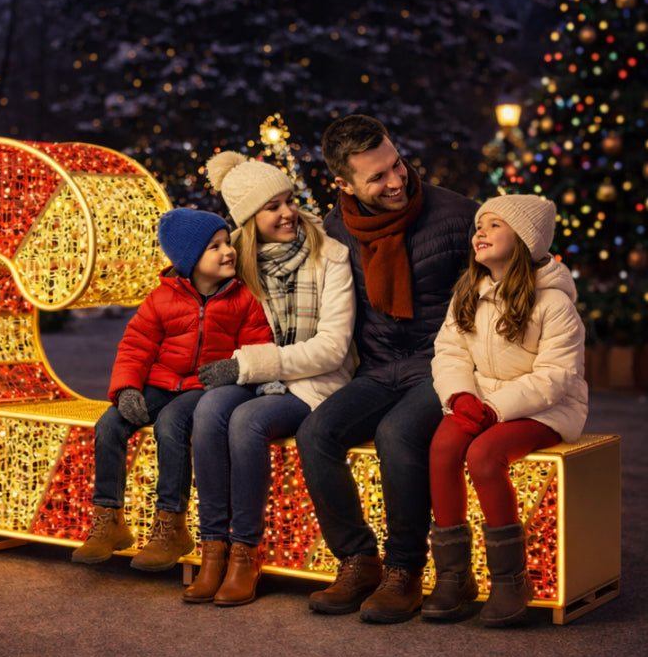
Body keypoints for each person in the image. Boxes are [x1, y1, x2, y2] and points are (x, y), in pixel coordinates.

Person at [295, 113, 478, 623]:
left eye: (396, 164)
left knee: (397, 433)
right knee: (316, 432)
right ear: (344, 183)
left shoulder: (459, 215)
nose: (396, 180)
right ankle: (358, 560)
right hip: (378, 367)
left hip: (441, 364)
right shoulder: (334, 232)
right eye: (377, 177)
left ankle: (404, 570)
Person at [183, 151, 356, 606]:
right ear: (248, 220)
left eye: (288, 201)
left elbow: (333, 348)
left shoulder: (329, 257)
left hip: (316, 381)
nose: (287, 213)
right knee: (208, 409)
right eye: (272, 207)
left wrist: (251, 366)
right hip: (255, 375)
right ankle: (212, 549)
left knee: (248, 422)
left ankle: (246, 553)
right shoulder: (239, 263)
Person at [72, 206, 273, 570]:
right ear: (190, 258)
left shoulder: (243, 299)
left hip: (204, 385)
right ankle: (109, 518)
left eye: (227, 242)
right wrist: (127, 390)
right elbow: (136, 346)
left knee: (171, 426)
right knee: (110, 424)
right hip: (161, 381)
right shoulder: (161, 298)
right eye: (215, 247)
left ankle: (171, 524)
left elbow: (257, 348)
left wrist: (235, 371)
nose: (228, 251)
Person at [424, 194, 588, 627]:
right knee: (442, 446)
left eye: (495, 225)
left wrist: (495, 409)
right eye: (481, 225)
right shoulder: (468, 292)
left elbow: (557, 377)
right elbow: (449, 353)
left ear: (525, 240)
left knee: (484, 456)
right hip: (480, 402)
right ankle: (453, 575)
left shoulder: (554, 304)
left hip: (545, 408)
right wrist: (460, 397)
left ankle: (511, 579)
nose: (481, 232)